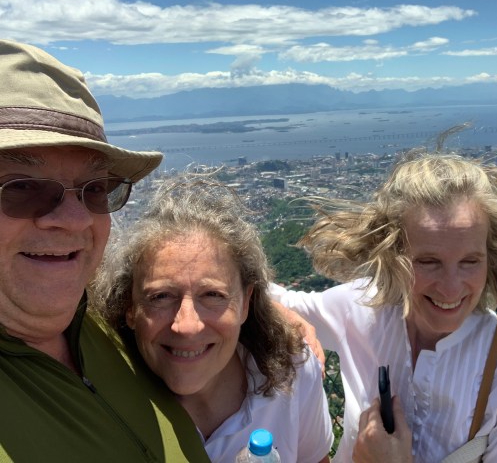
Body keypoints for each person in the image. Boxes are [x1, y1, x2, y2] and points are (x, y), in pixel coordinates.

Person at [0, 39, 209, 461]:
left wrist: (270, 319)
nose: (76, 219)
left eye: (95, 189)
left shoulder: (115, 322)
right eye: (22, 187)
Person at [272, 151, 497, 462]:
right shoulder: (363, 307)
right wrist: (286, 316)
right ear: (393, 255)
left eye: (470, 261)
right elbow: (269, 299)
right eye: (428, 262)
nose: (451, 287)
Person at [92, 176, 333, 463]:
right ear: (130, 308)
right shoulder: (102, 404)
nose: (187, 325)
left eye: (212, 295)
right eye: (161, 297)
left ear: (245, 303)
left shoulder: (291, 371)